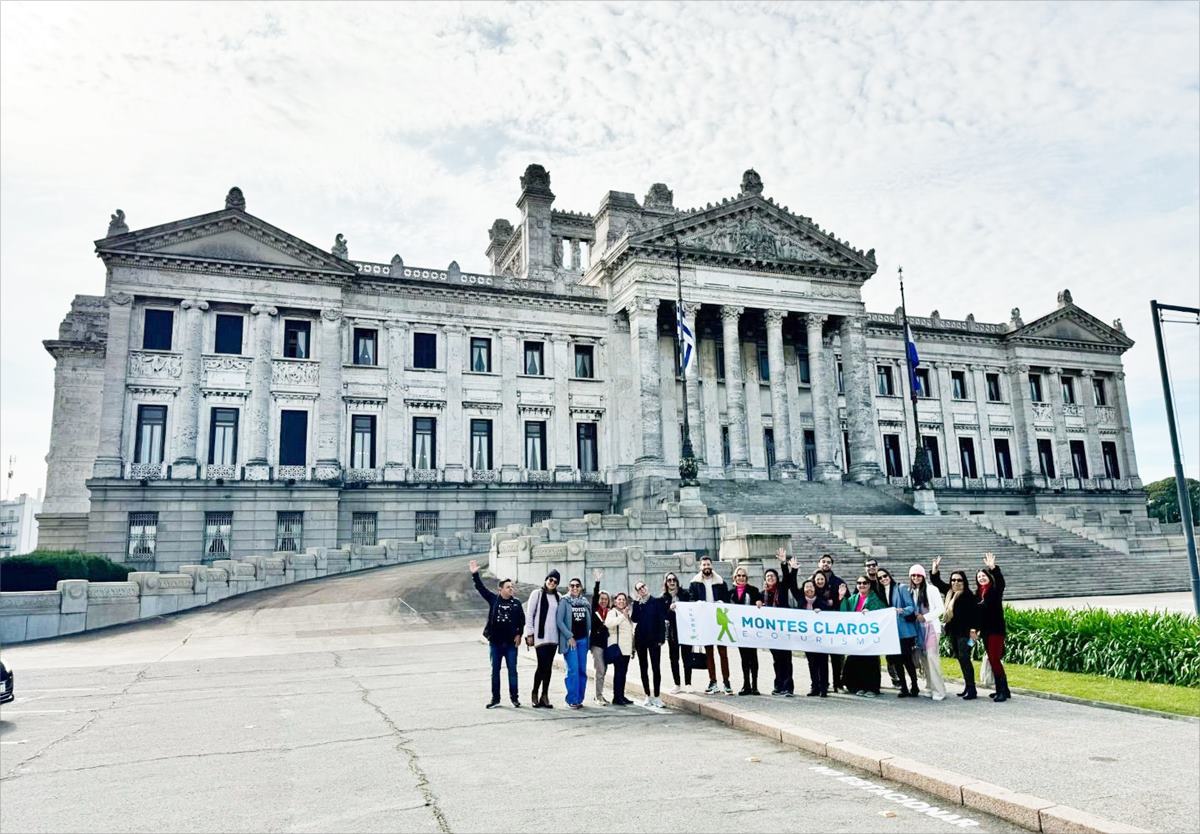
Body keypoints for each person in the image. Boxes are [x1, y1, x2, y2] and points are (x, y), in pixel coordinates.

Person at [470, 559, 525, 709]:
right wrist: (475, 574)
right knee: (495, 671)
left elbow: (521, 620)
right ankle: (495, 698)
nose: (511, 589)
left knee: (512, 671)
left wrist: (519, 634)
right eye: (508, 587)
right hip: (495, 643)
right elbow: (481, 588)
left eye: (511, 587)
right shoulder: (494, 600)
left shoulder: (516, 603)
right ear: (500, 589)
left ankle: (515, 698)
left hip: (511, 645)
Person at [930, 558, 978, 700]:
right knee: (960, 659)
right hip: (954, 632)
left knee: (965, 659)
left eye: (959, 580)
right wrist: (935, 570)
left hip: (965, 633)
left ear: (964, 582)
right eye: (953, 580)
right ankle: (967, 687)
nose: (956, 583)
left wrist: (974, 630)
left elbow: (975, 615)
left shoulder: (968, 595)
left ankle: (972, 689)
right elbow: (937, 582)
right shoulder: (949, 592)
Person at [688, 556, 732, 695]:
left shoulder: (720, 582)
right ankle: (713, 681)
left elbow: (727, 599)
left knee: (723, 653)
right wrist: (697, 603)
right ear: (700, 567)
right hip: (705, 622)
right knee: (709, 654)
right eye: (704, 564)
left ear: (712, 566)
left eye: (708, 564)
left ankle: (726, 682)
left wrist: (721, 603)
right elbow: (691, 599)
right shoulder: (694, 583)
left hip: (719, 620)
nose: (706, 566)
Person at [838, 576, 885, 696]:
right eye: (859, 583)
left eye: (865, 583)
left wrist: (871, 614)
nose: (862, 585)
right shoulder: (852, 599)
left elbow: (883, 612)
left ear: (869, 584)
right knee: (856, 661)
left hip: (870, 636)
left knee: (871, 662)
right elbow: (844, 613)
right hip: (856, 636)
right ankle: (857, 686)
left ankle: (872, 688)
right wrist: (842, 598)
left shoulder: (875, 598)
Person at [877, 568, 920, 698]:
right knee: (896, 661)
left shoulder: (901, 588)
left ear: (889, 575)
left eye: (885, 576)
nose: (883, 579)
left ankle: (915, 685)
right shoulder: (880, 592)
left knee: (907, 659)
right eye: (880, 578)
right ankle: (904, 687)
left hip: (904, 630)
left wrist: (900, 610)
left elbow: (911, 607)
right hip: (890, 631)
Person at [974, 553, 1011, 703]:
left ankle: (1001, 690)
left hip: (996, 630)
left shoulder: (995, 590)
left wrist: (993, 568)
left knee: (995, 659)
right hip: (986, 632)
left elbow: (1001, 583)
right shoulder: (979, 593)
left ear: (989, 577)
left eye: (984, 576)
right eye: (979, 577)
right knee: (992, 659)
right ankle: (1004, 690)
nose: (981, 578)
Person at [908, 563, 946, 701]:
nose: (916, 577)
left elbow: (940, 609)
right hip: (919, 630)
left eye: (918, 575)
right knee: (923, 659)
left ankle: (939, 690)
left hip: (931, 628)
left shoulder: (932, 589)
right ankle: (929, 686)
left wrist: (925, 617)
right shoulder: (911, 591)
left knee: (932, 658)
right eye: (913, 575)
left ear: (923, 576)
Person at [523, 570, 561, 708]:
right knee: (541, 666)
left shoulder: (559, 597)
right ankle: (534, 693)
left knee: (548, 667)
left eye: (555, 581)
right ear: (546, 580)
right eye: (550, 579)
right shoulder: (537, 594)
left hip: (553, 637)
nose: (552, 583)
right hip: (540, 637)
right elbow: (529, 615)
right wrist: (529, 634)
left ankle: (544, 695)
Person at [865, 557, 901, 688]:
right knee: (873, 654)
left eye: (873, 565)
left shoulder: (884, 582)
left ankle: (896, 678)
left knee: (891, 652)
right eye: (868, 565)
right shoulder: (864, 582)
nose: (871, 567)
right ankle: (875, 681)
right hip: (873, 623)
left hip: (888, 621)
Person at [760, 555, 794, 696]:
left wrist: (783, 563)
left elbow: (787, 577)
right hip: (771, 631)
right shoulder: (763, 594)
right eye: (768, 577)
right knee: (777, 660)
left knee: (786, 658)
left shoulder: (782, 589)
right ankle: (778, 685)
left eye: (772, 576)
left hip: (784, 629)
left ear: (776, 578)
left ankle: (788, 687)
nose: (770, 578)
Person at [557, 576, 592, 710]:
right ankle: (571, 699)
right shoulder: (564, 601)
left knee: (582, 670)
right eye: (572, 585)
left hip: (583, 640)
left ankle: (579, 698)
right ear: (568, 588)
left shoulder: (584, 602)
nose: (575, 588)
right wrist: (569, 636)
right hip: (571, 641)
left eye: (577, 585)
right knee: (572, 670)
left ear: (581, 588)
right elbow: (559, 621)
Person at [632, 580, 668, 707]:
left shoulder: (656, 601)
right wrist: (636, 602)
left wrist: (662, 639)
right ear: (637, 592)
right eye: (639, 588)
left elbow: (661, 621)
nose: (642, 589)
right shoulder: (638, 604)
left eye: (643, 586)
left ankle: (657, 696)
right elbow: (634, 619)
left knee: (656, 668)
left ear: (647, 587)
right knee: (643, 668)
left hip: (654, 640)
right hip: (641, 640)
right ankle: (647, 695)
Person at [813, 555, 845, 691]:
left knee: (837, 656)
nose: (826, 564)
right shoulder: (812, 581)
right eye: (823, 562)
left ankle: (837, 682)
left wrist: (839, 598)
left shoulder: (838, 582)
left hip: (834, 624)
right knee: (821, 657)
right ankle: (822, 684)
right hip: (818, 626)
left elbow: (845, 601)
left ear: (831, 564)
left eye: (828, 562)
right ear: (819, 563)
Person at [729, 565, 762, 696]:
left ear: (746, 578)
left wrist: (759, 602)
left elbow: (758, 600)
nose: (741, 578)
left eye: (743, 576)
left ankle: (755, 685)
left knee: (753, 657)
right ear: (735, 577)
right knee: (744, 658)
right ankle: (746, 684)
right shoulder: (730, 592)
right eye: (738, 575)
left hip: (751, 629)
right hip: (738, 629)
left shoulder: (753, 590)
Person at [797, 578, 830, 697]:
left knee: (823, 662)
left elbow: (829, 615)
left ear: (815, 588)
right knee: (812, 663)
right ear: (804, 589)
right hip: (808, 638)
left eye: (811, 586)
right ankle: (814, 686)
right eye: (807, 587)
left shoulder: (822, 601)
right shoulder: (801, 602)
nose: (809, 589)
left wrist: (821, 612)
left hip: (821, 638)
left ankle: (824, 687)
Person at [662, 572, 692, 693]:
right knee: (674, 658)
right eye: (669, 580)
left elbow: (691, 606)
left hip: (685, 630)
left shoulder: (684, 594)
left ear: (677, 581)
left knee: (687, 657)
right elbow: (663, 615)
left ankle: (688, 683)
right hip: (672, 632)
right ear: (666, 583)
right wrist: (670, 609)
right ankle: (677, 684)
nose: (672, 582)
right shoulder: (663, 597)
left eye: (674, 579)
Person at [604, 592, 636, 706]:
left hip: (627, 649)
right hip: (618, 649)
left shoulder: (626, 614)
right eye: (619, 599)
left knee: (623, 674)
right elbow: (608, 624)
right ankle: (616, 697)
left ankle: (621, 695)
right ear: (615, 601)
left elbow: (630, 632)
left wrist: (633, 648)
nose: (621, 601)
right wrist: (623, 616)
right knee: (619, 673)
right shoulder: (613, 612)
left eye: (623, 600)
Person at [590, 569, 611, 705]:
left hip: (607, 644)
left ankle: (600, 694)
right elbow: (593, 598)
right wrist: (597, 582)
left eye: (605, 599)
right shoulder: (595, 610)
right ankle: (598, 696)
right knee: (600, 670)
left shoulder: (610, 612)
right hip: (596, 644)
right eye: (601, 599)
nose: (603, 601)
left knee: (604, 670)